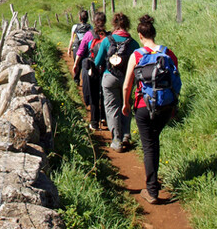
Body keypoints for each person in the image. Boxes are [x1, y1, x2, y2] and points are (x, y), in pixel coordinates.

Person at [122, 15, 179, 204]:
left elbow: (127, 85)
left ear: (140, 35)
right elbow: (175, 80)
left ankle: (152, 191)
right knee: (153, 141)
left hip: (143, 106)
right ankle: (154, 180)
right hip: (164, 105)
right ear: (154, 33)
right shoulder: (168, 53)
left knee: (149, 145)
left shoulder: (137, 54)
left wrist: (126, 104)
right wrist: (173, 104)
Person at [92, 12, 139, 152]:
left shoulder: (107, 40)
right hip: (127, 79)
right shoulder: (133, 43)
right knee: (126, 104)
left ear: (114, 24)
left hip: (110, 77)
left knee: (112, 108)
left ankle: (116, 140)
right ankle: (126, 135)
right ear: (127, 25)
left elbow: (97, 61)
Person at [73, 11, 108, 130]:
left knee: (93, 95)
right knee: (104, 93)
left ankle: (94, 122)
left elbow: (81, 50)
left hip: (92, 67)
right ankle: (104, 117)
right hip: (105, 68)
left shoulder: (89, 35)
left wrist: (76, 64)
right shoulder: (108, 36)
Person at [67, 10, 91, 85]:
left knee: (77, 63)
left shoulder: (75, 26)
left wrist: (69, 49)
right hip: (86, 47)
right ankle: (86, 80)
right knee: (85, 63)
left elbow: (72, 39)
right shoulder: (90, 27)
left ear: (80, 17)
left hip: (77, 46)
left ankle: (76, 80)